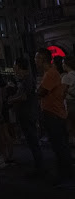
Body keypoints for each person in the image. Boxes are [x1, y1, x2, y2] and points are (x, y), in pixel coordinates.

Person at [34, 48, 73, 186]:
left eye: (37, 58)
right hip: (55, 113)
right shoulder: (50, 73)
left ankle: (65, 175)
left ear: (43, 59)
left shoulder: (50, 74)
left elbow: (41, 92)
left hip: (54, 114)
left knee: (59, 146)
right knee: (60, 146)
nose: (35, 61)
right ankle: (66, 173)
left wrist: (37, 90)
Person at [7, 57, 44, 178]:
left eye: (14, 65)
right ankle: (39, 166)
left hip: (27, 113)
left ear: (19, 66)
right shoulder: (24, 79)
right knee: (32, 141)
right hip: (27, 113)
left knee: (33, 140)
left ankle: (40, 167)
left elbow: (24, 97)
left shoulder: (27, 79)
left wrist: (11, 100)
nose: (14, 68)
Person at [60, 56, 75, 146]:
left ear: (66, 65)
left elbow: (62, 92)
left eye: (63, 63)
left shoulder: (66, 77)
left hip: (70, 104)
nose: (62, 65)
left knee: (71, 127)